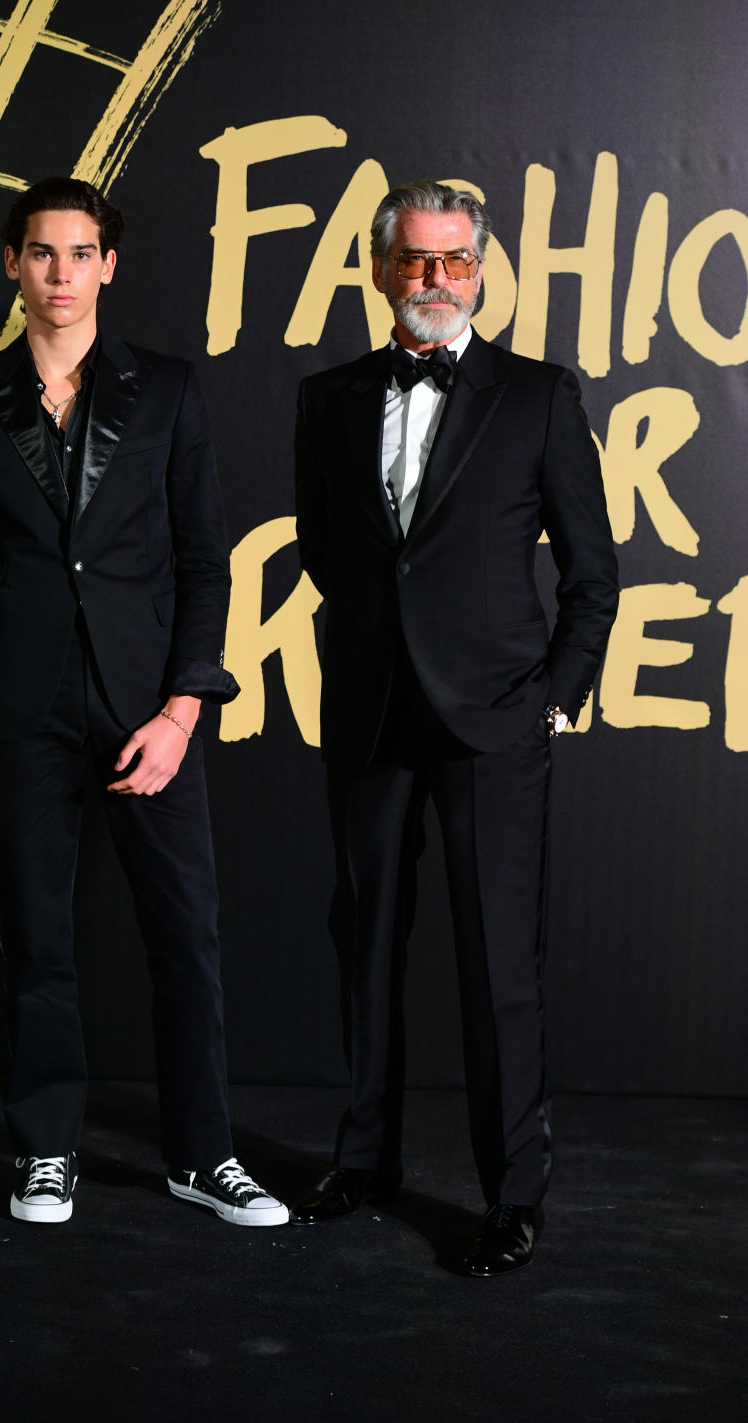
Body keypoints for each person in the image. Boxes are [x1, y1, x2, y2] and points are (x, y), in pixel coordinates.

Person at [0, 176, 286, 1228]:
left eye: (81, 254)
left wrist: (181, 711)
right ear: (12, 263)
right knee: (38, 939)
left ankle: (202, 1155)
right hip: (16, 717)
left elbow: (207, 564)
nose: (61, 274)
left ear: (109, 266)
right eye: (42, 253)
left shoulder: (165, 391)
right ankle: (46, 1151)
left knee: (187, 938)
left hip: (146, 715)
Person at [291, 180, 618, 1274]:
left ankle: (512, 1194)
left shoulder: (536, 396)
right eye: (416, 262)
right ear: (383, 270)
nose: (437, 280)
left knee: (497, 970)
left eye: (455, 262)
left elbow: (595, 574)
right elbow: (329, 552)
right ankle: (365, 1158)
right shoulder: (326, 397)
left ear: (482, 271)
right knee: (366, 950)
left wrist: (555, 695)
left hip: (496, 724)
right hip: (372, 714)